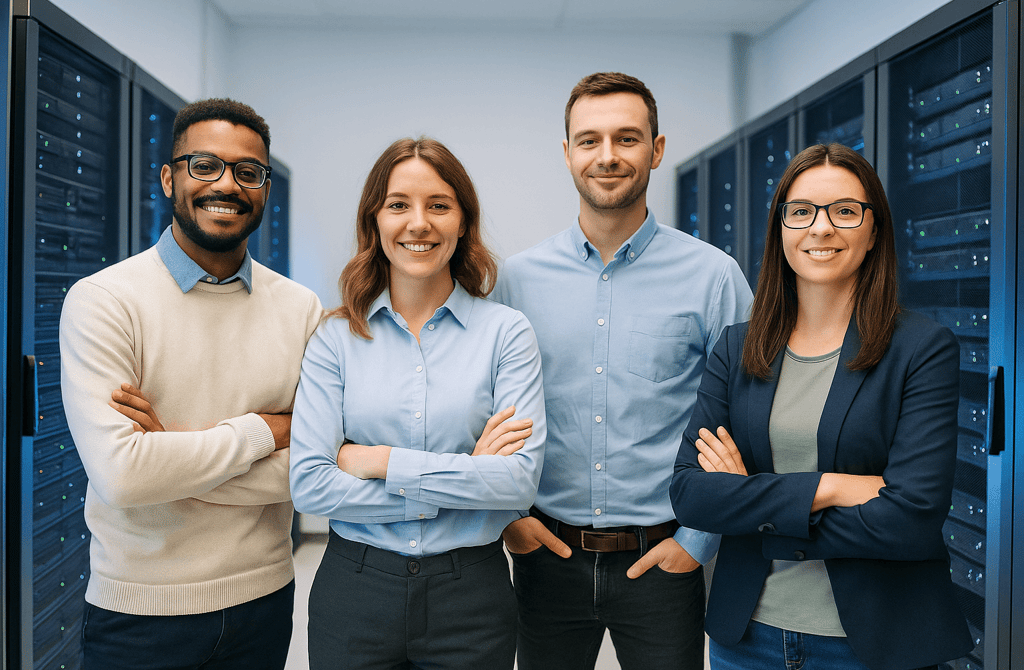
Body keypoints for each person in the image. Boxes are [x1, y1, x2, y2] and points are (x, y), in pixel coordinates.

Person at [670, 143, 973, 670]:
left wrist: (749, 502)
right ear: (781, 228)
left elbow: (911, 519)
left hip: (874, 643)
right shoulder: (737, 348)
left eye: (845, 211)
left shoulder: (921, 349)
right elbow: (691, 494)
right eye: (802, 211)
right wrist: (831, 487)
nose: (822, 227)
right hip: (746, 641)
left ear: (873, 230)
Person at [492, 72, 752, 670]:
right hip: (546, 555)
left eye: (627, 138)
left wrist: (698, 543)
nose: (607, 156)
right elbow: (487, 410)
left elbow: (746, 413)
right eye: (589, 140)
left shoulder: (713, 277)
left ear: (656, 150)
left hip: (665, 559)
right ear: (567, 154)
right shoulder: (517, 280)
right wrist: (510, 520)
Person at [60, 98, 323, 670]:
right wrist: (264, 429)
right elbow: (123, 475)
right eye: (204, 165)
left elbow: (314, 472)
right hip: (138, 618)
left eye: (248, 172)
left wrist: (173, 455)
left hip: (264, 601)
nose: (226, 184)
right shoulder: (105, 302)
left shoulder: (301, 309)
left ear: (265, 188)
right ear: (169, 177)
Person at [289, 137, 545, 670]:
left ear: (462, 221)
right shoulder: (336, 337)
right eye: (399, 204)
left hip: (471, 595)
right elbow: (310, 482)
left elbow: (517, 482)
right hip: (355, 590)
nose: (419, 223)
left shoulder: (506, 334)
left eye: (439, 205)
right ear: (375, 220)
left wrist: (379, 463)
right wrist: (467, 479)